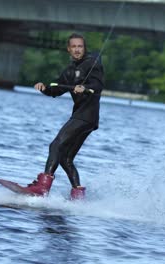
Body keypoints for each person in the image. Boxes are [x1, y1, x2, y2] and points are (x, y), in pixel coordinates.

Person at [21, 33, 104, 200]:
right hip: (85, 118)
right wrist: (44, 88)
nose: (77, 50)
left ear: (84, 48)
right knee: (65, 158)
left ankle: (42, 187)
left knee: (55, 146)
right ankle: (78, 196)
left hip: (86, 116)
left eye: (80, 46)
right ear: (69, 49)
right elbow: (56, 90)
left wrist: (85, 87)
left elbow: (98, 84)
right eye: (73, 47)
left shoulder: (93, 64)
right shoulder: (69, 71)